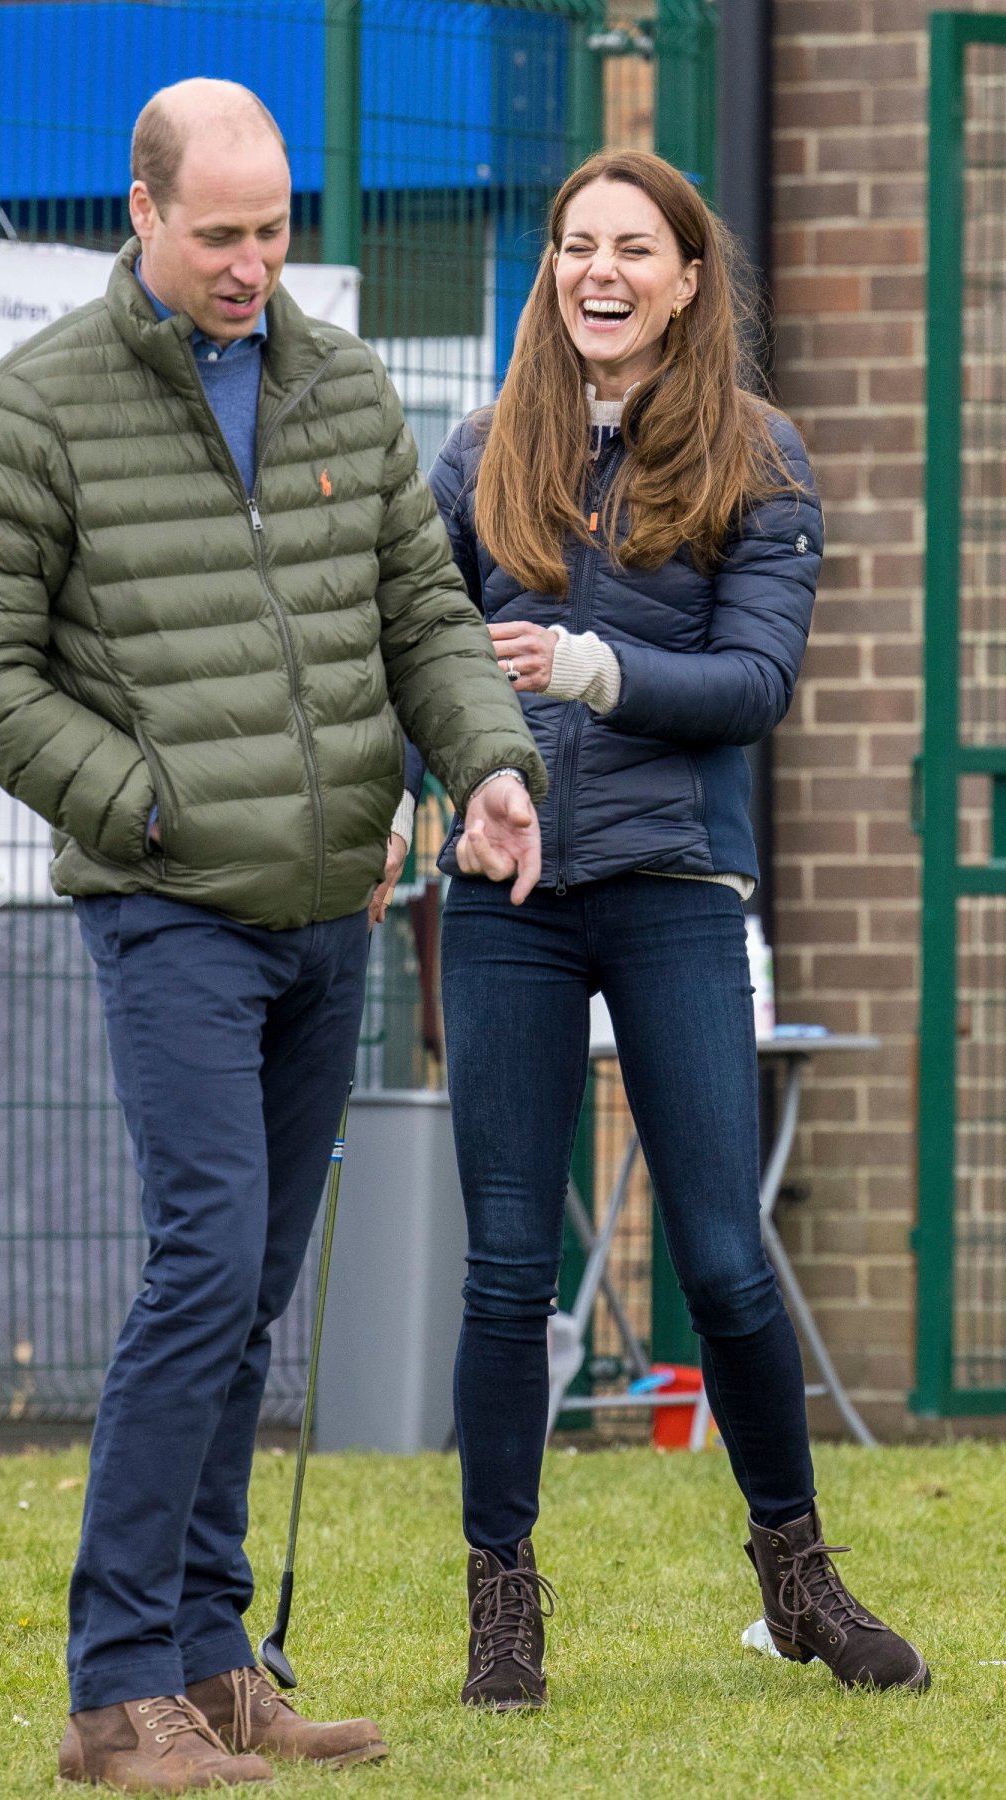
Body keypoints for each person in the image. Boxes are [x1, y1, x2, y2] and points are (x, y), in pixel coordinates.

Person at [0, 78, 546, 1794]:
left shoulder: (343, 381)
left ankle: (213, 1662)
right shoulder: (38, 405)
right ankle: (116, 1691)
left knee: (251, 1289)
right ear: (142, 212)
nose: (251, 264)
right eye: (219, 234)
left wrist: (489, 766)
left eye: (273, 232)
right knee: (206, 1263)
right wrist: (145, 808)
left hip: (329, 914)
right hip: (170, 911)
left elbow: (424, 615)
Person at [426, 149, 930, 1710]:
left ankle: (799, 1575)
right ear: (552, 269)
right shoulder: (475, 455)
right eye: (578, 244)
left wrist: (591, 670)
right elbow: (419, 655)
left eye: (635, 248)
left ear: (689, 277)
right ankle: (502, 1609)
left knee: (721, 1253)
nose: (601, 271)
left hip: (674, 889)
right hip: (507, 896)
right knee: (508, 1270)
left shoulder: (759, 458)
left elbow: (755, 686)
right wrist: (448, 792)